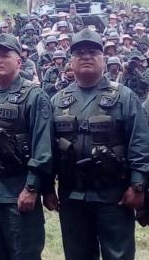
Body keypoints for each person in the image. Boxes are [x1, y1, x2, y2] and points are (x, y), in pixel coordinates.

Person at [47, 28, 149, 260]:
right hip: (71, 194)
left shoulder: (124, 97)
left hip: (114, 194)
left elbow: (140, 143)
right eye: (79, 52)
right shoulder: (57, 101)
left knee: (118, 254)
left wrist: (138, 185)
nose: (86, 56)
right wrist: (46, 187)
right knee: (77, 254)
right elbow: (48, 147)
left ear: (104, 59)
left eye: (93, 51)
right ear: (70, 61)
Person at [0, 33, 52, 260]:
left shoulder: (34, 96)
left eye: (4, 55)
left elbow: (42, 147)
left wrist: (32, 188)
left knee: (24, 254)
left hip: (19, 192)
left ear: (19, 61)